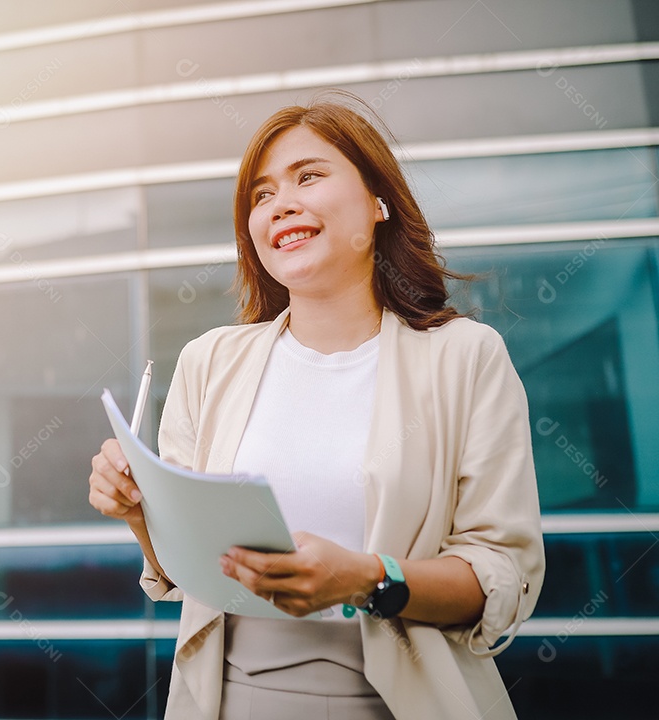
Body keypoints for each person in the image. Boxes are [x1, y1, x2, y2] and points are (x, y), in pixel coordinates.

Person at [88, 95, 545, 720]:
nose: (280, 204)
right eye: (262, 194)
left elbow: (500, 579)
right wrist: (141, 511)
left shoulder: (465, 356)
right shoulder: (209, 361)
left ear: (378, 202)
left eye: (309, 176)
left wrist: (366, 578)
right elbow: (191, 565)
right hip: (230, 700)